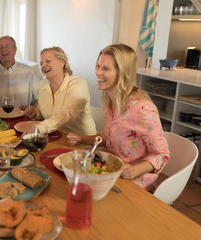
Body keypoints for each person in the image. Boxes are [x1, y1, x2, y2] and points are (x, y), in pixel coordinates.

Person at [66, 43, 170, 191]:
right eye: (98, 66)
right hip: (110, 172)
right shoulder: (109, 100)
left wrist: (134, 170)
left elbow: (162, 155)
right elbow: (110, 138)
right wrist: (81, 139)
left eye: (106, 68)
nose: (98, 72)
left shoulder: (142, 109)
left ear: (122, 72)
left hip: (135, 182)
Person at [23, 46, 97, 136]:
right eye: (41, 63)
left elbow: (68, 113)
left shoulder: (78, 84)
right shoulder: (43, 85)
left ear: (62, 62)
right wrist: (35, 114)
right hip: (56, 137)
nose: (43, 66)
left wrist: (39, 128)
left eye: (48, 61)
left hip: (82, 142)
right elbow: (45, 115)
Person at [0, 35, 41, 109]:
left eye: (7, 46)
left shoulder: (30, 72)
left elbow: (40, 99)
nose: (3, 50)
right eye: (0, 47)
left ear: (15, 49)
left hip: (23, 118)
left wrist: (32, 110)